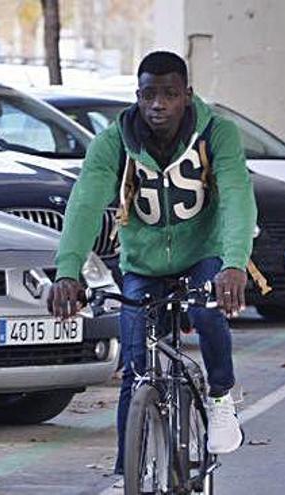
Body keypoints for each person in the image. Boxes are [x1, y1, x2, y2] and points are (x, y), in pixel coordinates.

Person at [47, 51, 257, 474]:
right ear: (137, 97)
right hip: (142, 263)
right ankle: (130, 470)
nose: (158, 104)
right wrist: (67, 271)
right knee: (137, 367)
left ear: (187, 96)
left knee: (206, 310)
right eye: (148, 95)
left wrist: (234, 264)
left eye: (169, 94)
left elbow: (237, 195)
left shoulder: (218, 133)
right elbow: (85, 203)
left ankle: (219, 398)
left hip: (203, 254)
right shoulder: (114, 141)